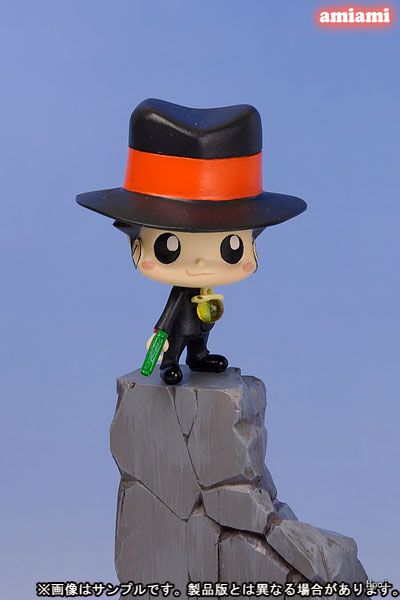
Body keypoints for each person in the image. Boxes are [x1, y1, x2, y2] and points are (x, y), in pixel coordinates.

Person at [76, 98, 306, 384]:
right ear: (135, 241)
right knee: (180, 339)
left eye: (231, 248)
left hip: (203, 320)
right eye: (169, 247)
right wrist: (159, 336)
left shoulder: (207, 289)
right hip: (182, 326)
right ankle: (171, 363)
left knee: (200, 337)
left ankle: (198, 356)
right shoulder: (181, 295)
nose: (200, 263)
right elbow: (168, 315)